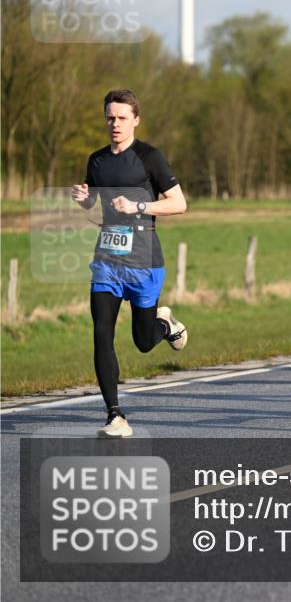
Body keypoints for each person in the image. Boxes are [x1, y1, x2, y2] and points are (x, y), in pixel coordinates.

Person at [71, 89, 188, 438]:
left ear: (135, 119)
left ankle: (164, 325)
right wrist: (83, 199)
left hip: (144, 262)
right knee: (101, 334)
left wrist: (139, 207)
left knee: (142, 341)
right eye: (110, 117)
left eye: (122, 118)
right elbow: (96, 207)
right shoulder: (97, 160)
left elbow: (179, 203)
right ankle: (115, 415)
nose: (115, 124)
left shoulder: (150, 157)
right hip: (107, 259)